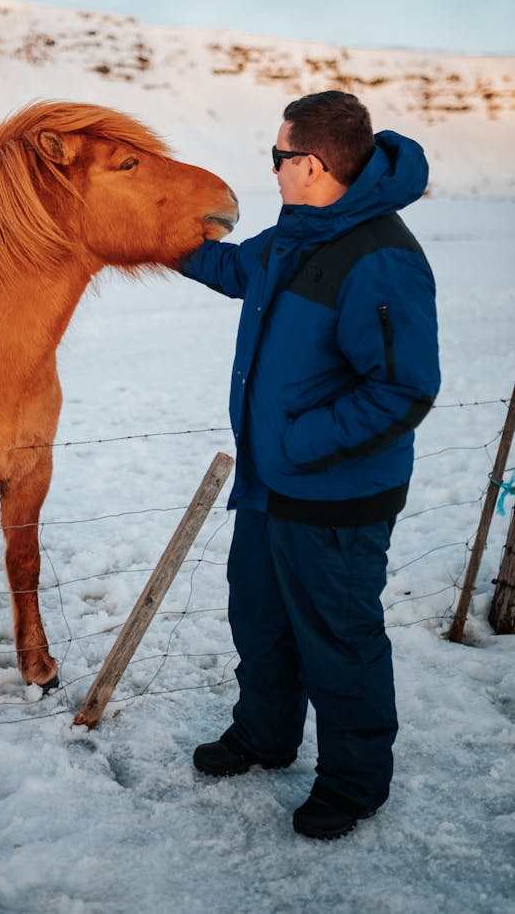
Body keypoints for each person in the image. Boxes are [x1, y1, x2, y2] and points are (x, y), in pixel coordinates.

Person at [181, 90, 440, 840]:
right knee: (260, 620)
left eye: (278, 156)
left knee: (339, 639)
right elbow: (234, 269)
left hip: (334, 494)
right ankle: (264, 735)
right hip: (271, 484)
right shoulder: (298, 235)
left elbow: (404, 387)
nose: (272, 169)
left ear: (314, 163)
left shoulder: (380, 257)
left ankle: (354, 783)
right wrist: (144, 236)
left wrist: (298, 443)